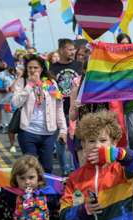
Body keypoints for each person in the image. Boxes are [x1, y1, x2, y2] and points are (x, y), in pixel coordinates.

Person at [12, 55, 67, 174]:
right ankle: (31, 192)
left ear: (41, 69)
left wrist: (63, 130)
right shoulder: (23, 82)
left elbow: (58, 107)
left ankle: (44, 192)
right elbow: (16, 103)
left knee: (47, 168)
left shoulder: (49, 83)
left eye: (35, 68)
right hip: (28, 132)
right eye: (30, 67)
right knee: (31, 168)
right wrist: (29, 85)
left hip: (47, 133)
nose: (32, 70)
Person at [49, 38, 82, 176]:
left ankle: (77, 168)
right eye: (70, 49)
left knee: (76, 141)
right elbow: (50, 87)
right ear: (61, 50)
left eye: (73, 49)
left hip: (76, 109)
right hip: (60, 110)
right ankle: (65, 171)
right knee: (61, 142)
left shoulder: (79, 65)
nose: (73, 52)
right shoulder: (53, 68)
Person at [0, 63, 19, 152]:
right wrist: (7, 89)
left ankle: (21, 143)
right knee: (11, 126)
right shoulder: (1, 75)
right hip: (7, 103)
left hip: (21, 102)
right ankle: (12, 145)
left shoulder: (21, 73)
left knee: (23, 125)